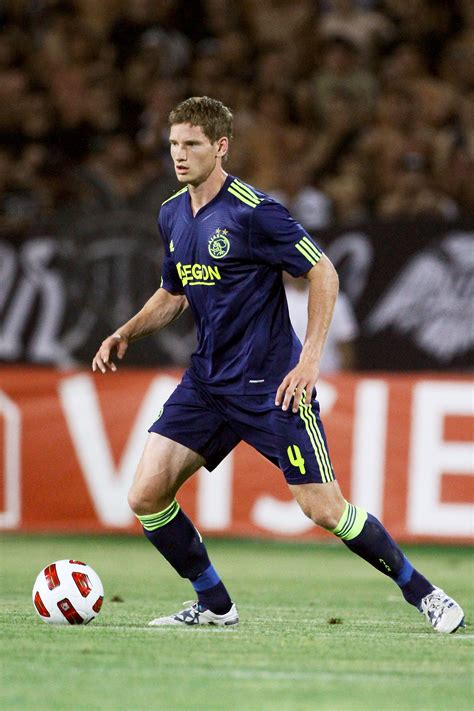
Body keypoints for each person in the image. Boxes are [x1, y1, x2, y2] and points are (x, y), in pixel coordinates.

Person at [92, 96, 464, 633]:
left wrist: (310, 360)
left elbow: (324, 273)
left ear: (220, 147)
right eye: (173, 144)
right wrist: (126, 331)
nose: (179, 154)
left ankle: (424, 593)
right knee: (145, 494)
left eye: (192, 144)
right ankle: (215, 604)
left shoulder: (254, 211)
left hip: (273, 385)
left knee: (324, 509)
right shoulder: (171, 213)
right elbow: (173, 293)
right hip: (206, 383)